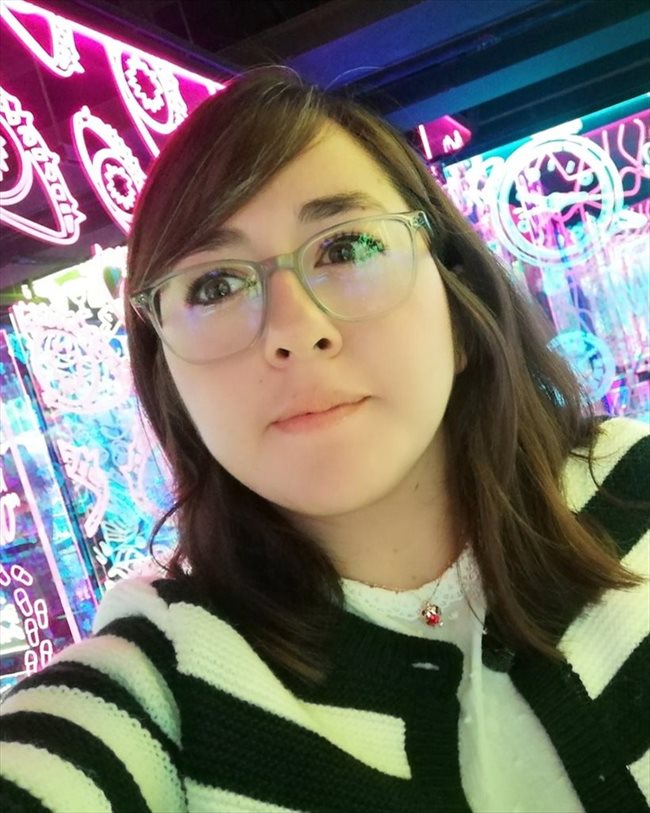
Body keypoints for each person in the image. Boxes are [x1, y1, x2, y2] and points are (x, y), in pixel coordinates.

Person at [1, 66, 648, 813]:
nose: (294, 328)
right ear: (171, 382)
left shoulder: (632, 490)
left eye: (346, 247)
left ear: (459, 304)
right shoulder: (166, 667)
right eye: (214, 286)